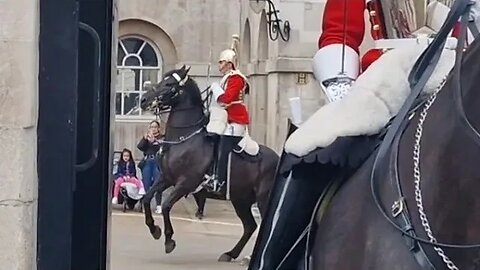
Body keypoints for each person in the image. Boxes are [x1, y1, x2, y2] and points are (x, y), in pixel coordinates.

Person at [248, 1, 480, 269]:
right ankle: (271, 261)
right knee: (305, 145)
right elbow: (339, 31)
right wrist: (340, 83)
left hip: (457, 70)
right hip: (388, 77)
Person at [203, 48, 250, 193]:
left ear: (229, 63)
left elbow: (226, 100)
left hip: (235, 119)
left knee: (224, 148)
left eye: (222, 61)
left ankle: (221, 182)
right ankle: (211, 175)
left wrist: (216, 88)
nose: (219, 64)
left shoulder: (236, 78)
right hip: (226, 118)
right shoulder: (229, 78)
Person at [137, 120, 164, 214]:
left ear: (158, 128)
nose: (153, 129)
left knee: (158, 183)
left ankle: (158, 205)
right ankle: (145, 205)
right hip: (148, 162)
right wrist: (145, 139)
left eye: (155, 127)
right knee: (146, 184)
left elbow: (161, 148)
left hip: (157, 162)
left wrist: (154, 141)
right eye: (152, 127)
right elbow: (140, 147)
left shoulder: (161, 138)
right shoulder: (147, 137)